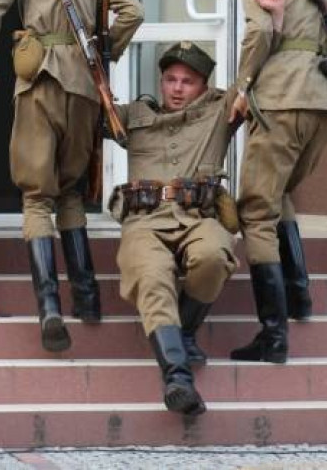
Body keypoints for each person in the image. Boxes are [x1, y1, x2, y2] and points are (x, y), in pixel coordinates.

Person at [0, 0, 144, 353]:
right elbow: (133, 12)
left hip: (40, 80)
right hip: (85, 86)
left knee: (35, 198)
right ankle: (87, 298)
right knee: (69, 192)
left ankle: (49, 307)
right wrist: (104, 52)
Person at [107, 36, 274, 416]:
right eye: (170, 79)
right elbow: (86, 109)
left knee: (214, 254)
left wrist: (270, 25)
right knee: (151, 274)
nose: (177, 89)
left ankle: (181, 333)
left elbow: (251, 71)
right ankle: (178, 378)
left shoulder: (219, 111)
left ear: (203, 86)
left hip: (199, 218)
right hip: (144, 221)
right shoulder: (134, 115)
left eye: (188, 81)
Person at [227, 0, 327, 363]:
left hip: (282, 97)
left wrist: (242, 87)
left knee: (255, 212)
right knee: (277, 192)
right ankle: (299, 296)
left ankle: (273, 336)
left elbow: (261, 29)